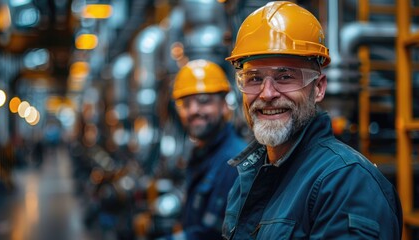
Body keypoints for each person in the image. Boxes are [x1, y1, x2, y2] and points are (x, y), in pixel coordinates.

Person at [222, 1, 403, 239]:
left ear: (318, 88)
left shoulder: (347, 183)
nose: (267, 94)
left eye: (285, 76)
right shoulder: (249, 177)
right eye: (254, 78)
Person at [164, 59, 247, 240]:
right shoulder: (200, 153)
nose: (194, 110)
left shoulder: (234, 161)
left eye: (203, 101)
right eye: (186, 104)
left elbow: (212, 235)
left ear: (224, 105)